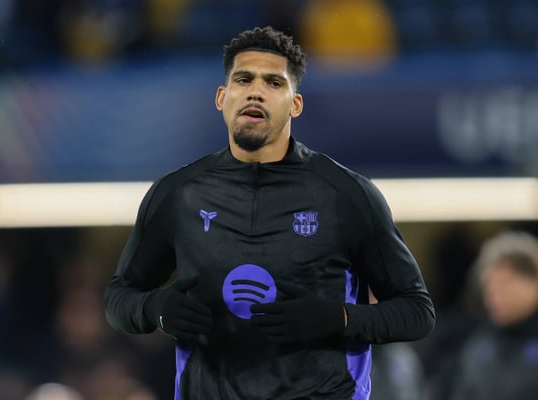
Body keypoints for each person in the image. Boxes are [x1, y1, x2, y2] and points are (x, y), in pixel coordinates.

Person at [104, 26, 435, 399]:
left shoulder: (347, 195)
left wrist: (338, 317)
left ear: (296, 104)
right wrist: (156, 308)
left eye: (274, 83)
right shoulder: (177, 195)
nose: (255, 92)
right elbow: (119, 297)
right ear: (222, 97)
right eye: (243, 79)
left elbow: (416, 312)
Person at [447, 230, 538, 400]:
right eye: (490, 289)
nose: (495, 298)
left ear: (534, 283)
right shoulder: (479, 344)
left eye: (504, 285)